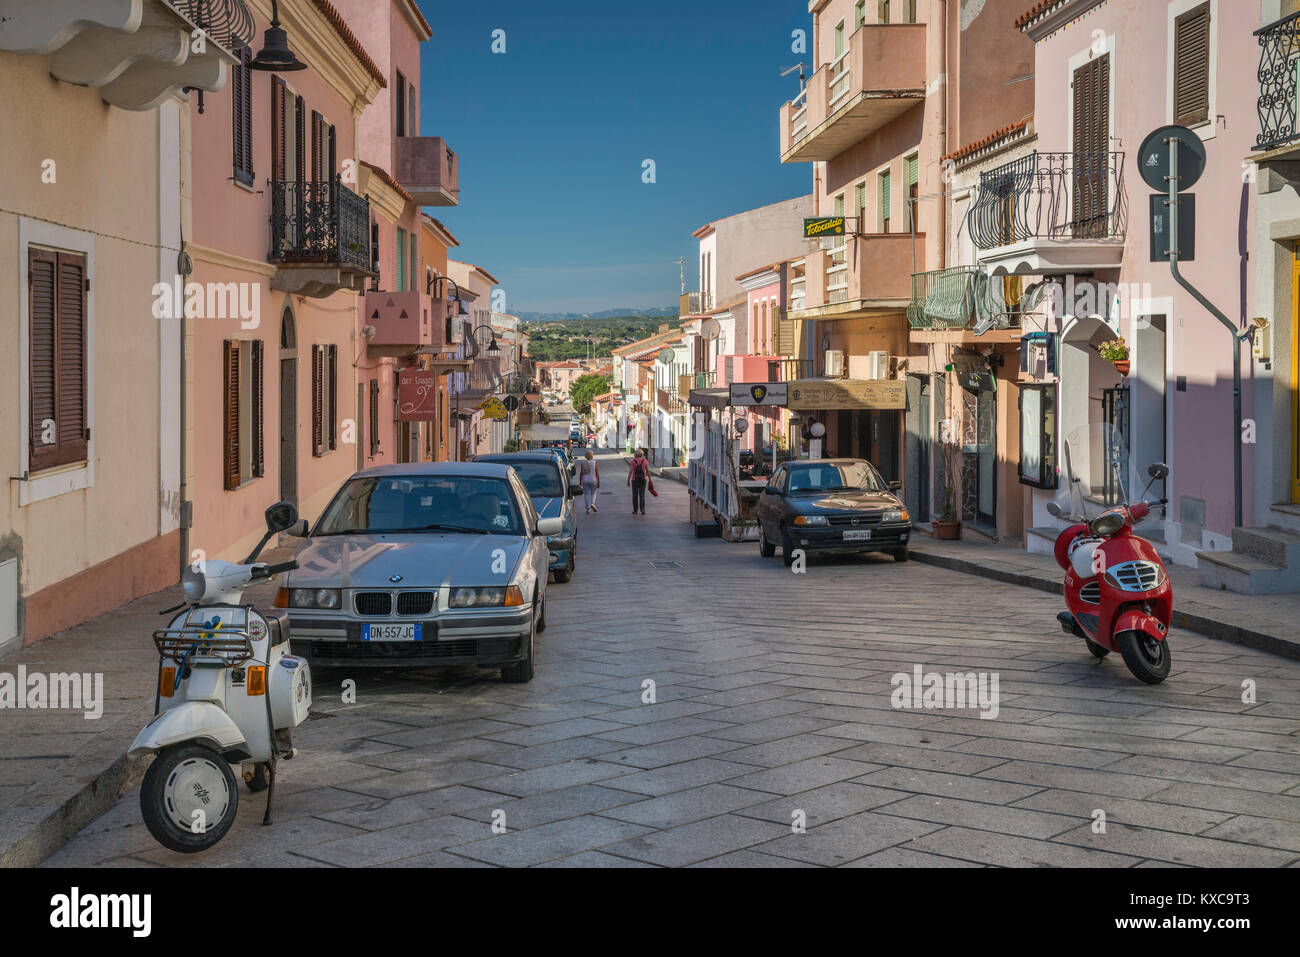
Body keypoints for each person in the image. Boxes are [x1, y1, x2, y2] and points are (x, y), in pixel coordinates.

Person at [628, 448, 649, 515]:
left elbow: (630, 471)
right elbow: (648, 471)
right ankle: (642, 509)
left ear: (635, 455)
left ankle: (635, 510)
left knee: (635, 495)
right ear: (642, 454)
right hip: (643, 479)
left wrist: (628, 480)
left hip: (635, 479)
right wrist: (650, 480)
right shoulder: (645, 461)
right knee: (642, 495)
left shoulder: (633, 461)